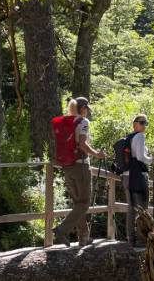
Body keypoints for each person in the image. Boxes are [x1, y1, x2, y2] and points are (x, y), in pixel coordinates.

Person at [53, 97, 106, 247]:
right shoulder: (83, 122)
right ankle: (62, 230)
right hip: (80, 166)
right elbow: (82, 144)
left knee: (78, 203)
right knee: (84, 203)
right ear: (82, 108)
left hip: (67, 166)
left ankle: (84, 237)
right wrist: (97, 154)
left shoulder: (67, 122)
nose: (88, 112)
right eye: (87, 109)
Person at [122, 114, 154, 248]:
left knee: (131, 208)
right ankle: (142, 241)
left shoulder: (128, 137)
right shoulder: (140, 136)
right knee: (142, 208)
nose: (144, 125)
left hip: (126, 176)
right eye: (142, 122)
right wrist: (152, 160)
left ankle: (131, 239)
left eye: (146, 123)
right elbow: (141, 157)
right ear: (135, 124)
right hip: (138, 176)